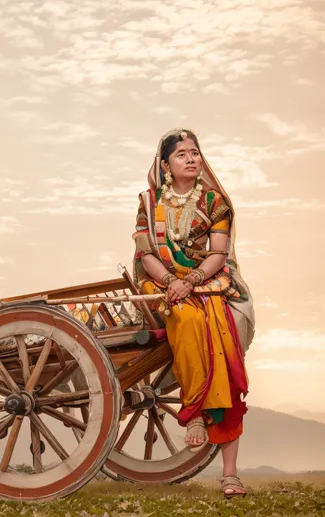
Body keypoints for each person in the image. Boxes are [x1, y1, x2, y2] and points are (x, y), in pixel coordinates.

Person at [133, 128, 255, 499]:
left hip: (210, 283)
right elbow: (146, 254)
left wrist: (192, 280)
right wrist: (172, 280)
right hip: (162, 284)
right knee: (186, 319)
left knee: (224, 341)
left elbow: (219, 252)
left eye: (195, 152)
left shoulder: (215, 201)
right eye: (181, 154)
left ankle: (230, 472)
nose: (191, 158)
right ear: (166, 164)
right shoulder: (149, 201)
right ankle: (196, 410)